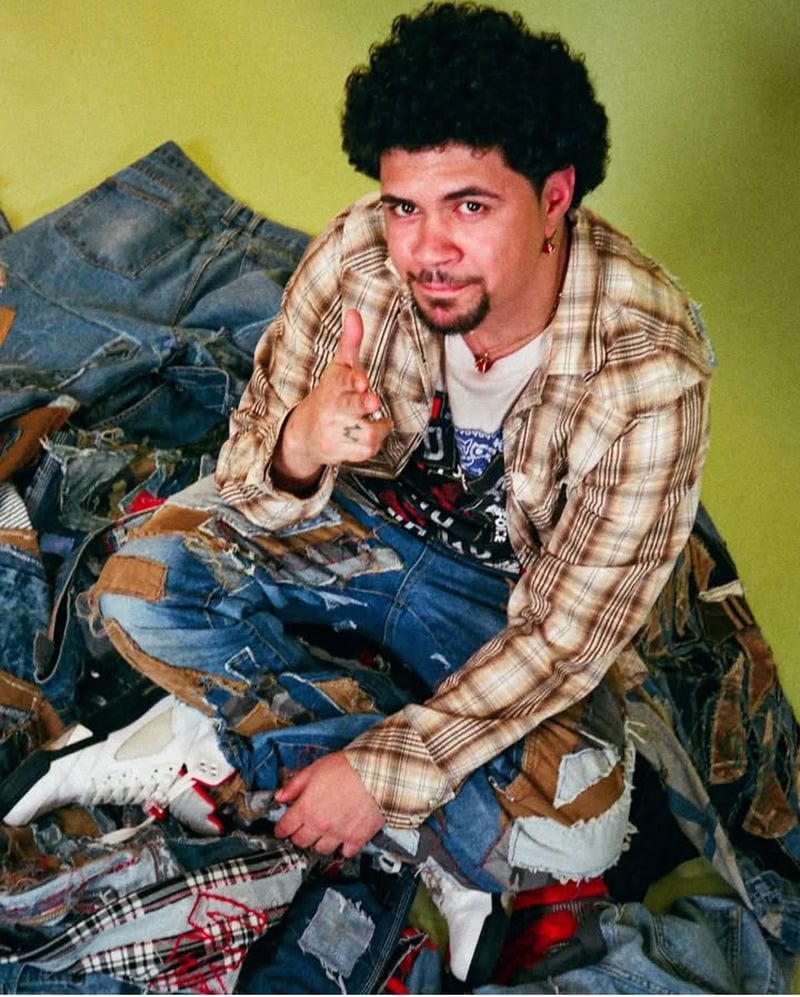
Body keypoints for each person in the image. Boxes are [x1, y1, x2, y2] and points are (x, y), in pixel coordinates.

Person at [0, 2, 712, 985]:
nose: (426, 249)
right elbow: (244, 472)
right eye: (404, 206)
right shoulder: (356, 258)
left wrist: (379, 775)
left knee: (579, 831)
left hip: (499, 607)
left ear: (554, 197)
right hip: (355, 534)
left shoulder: (651, 371)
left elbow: (565, 640)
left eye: (469, 207)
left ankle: (235, 746)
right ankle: (389, 818)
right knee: (135, 589)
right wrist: (299, 443)